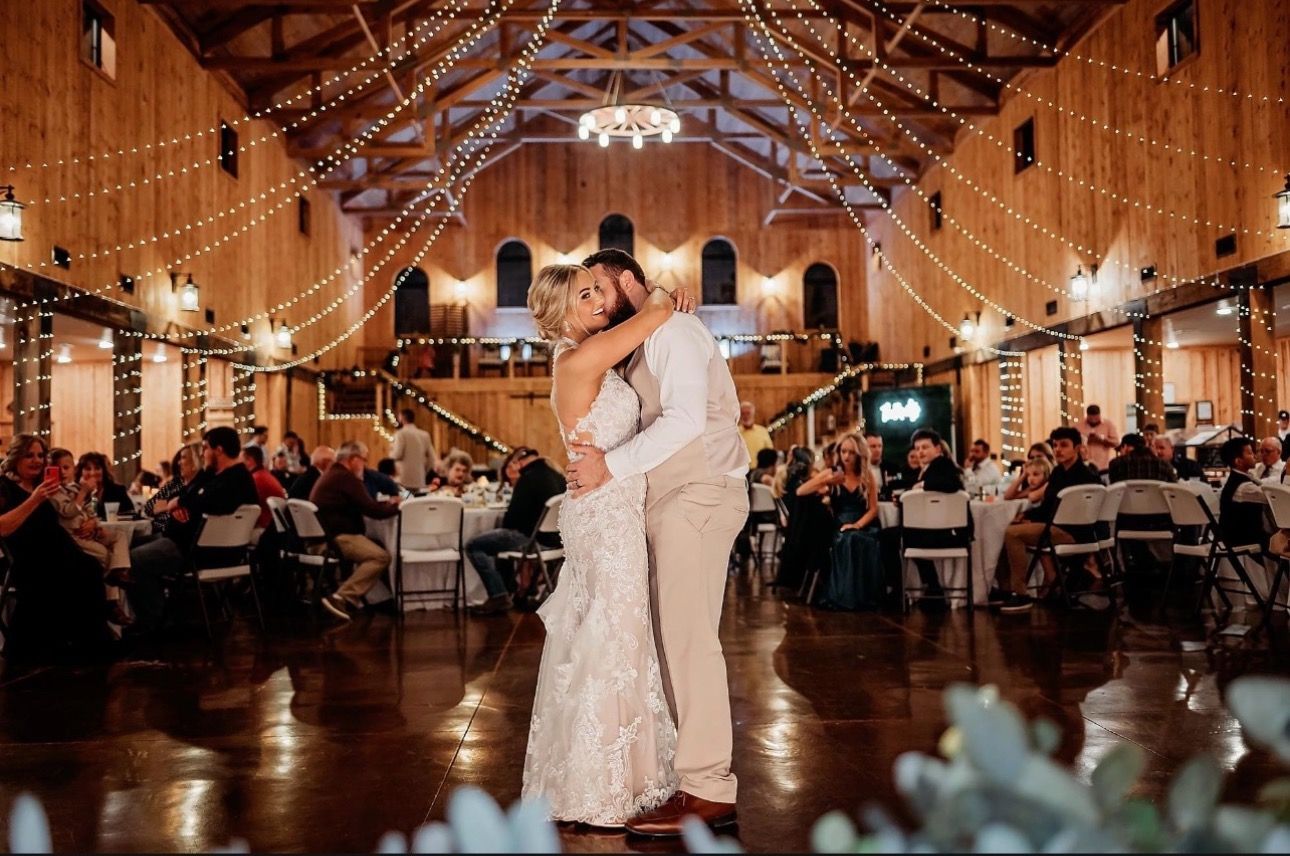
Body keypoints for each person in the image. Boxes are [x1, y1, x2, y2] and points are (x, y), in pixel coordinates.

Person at [567, 248, 743, 836]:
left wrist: (610, 467)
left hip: (699, 491)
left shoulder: (675, 333)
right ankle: (692, 777)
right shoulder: (646, 336)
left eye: (597, 288)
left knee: (691, 642)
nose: (592, 301)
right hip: (670, 500)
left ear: (625, 281)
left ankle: (709, 789)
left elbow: (688, 419)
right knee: (674, 641)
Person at [519, 257, 692, 828]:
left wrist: (665, 294)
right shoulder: (580, 357)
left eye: (597, 290)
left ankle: (605, 776)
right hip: (605, 518)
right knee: (614, 642)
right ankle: (602, 789)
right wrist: (668, 291)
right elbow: (656, 312)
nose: (597, 301)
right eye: (583, 296)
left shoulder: (585, 356)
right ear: (557, 312)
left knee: (613, 640)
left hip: (608, 511)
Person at [128, 426, 260, 633]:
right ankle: (154, 615)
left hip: (199, 552)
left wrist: (180, 502)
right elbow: (194, 496)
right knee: (126, 547)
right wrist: (185, 501)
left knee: (133, 560)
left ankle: (156, 623)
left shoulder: (236, 479)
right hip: (190, 544)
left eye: (205, 448)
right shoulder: (217, 475)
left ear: (219, 450)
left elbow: (208, 502)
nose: (202, 453)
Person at [0, 435, 112, 655]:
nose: (36, 460)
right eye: (29, 455)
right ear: (16, 457)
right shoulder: (5, 487)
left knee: (89, 569)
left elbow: (67, 514)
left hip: (59, 550)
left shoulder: (47, 484)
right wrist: (35, 499)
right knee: (73, 573)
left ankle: (85, 644)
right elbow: (3, 527)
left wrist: (90, 522)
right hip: (27, 558)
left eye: (41, 455)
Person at [998, 427, 1101, 612]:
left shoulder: (1084, 476)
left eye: (1064, 445)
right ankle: (1025, 586)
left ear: (1077, 448)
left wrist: (1029, 517)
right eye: (1055, 445)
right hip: (1063, 527)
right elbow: (1049, 507)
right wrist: (1028, 517)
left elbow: (1055, 510)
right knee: (1013, 528)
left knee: (1012, 534)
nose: (1058, 450)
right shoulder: (1059, 473)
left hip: (1073, 532)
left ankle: (1020, 593)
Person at [465, 447, 565, 615]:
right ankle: (512, 588)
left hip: (533, 541)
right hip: (556, 542)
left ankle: (499, 595)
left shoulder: (528, 478)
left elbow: (511, 520)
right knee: (498, 539)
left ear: (520, 462)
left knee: (474, 546)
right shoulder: (557, 476)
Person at [309, 441, 402, 621]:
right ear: (353, 459)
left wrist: (387, 504)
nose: (365, 465)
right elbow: (373, 511)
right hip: (335, 540)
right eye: (364, 460)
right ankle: (342, 597)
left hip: (319, 539)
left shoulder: (332, 474)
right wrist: (399, 507)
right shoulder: (346, 478)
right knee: (380, 556)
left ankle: (371, 598)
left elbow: (366, 505)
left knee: (375, 546)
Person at [795, 433, 881, 610]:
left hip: (863, 524)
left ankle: (864, 597)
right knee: (846, 539)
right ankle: (843, 596)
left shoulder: (867, 475)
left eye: (851, 452)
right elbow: (801, 491)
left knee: (859, 539)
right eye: (843, 451)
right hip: (839, 524)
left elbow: (873, 509)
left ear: (859, 454)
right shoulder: (832, 473)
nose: (846, 456)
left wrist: (857, 525)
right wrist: (827, 480)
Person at [48, 448, 117, 571]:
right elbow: (68, 511)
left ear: (73, 469)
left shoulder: (76, 488)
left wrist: (94, 523)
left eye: (66, 468)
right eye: (57, 469)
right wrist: (84, 492)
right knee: (104, 554)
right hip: (74, 535)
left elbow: (90, 509)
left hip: (89, 529)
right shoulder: (54, 492)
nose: (62, 472)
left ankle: (121, 571)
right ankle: (111, 578)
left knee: (118, 539)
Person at [1218, 436, 1267, 550]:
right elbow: (1270, 497)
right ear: (1238, 461)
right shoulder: (1242, 487)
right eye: (1250, 453)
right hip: (1242, 538)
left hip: (1246, 535)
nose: (1254, 456)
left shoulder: (1245, 478)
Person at [143, 444, 203, 533]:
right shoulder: (176, 482)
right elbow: (149, 506)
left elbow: (189, 509)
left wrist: (165, 506)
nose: (179, 463)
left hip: (176, 534)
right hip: (160, 530)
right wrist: (172, 506)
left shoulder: (199, 485)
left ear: (195, 461)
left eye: (183, 458)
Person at [74, 452, 135, 520]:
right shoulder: (74, 491)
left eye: (97, 468)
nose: (92, 473)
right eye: (87, 469)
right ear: (80, 472)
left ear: (104, 471)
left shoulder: (117, 490)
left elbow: (130, 514)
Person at [242, 444, 286, 530]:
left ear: (250, 461)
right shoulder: (263, 474)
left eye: (240, 459)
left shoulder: (256, 479)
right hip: (272, 528)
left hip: (264, 530)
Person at [391, 408, 437, 490]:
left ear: (401, 418)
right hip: (420, 478)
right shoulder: (424, 435)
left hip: (404, 478)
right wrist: (424, 471)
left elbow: (397, 454)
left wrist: (390, 452)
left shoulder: (401, 434)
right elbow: (432, 458)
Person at [1108, 433, 1177, 484]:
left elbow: (1114, 490)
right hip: (1156, 503)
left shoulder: (1115, 464)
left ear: (1125, 447)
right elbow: (1174, 490)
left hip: (1126, 503)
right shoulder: (1164, 465)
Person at [1075, 404, 1119, 472]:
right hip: (1084, 465)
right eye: (1091, 417)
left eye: (1095, 417)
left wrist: (1102, 439)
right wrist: (1085, 440)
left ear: (1099, 415)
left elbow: (1116, 443)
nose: (1093, 419)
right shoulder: (1078, 426)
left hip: (1103, 466)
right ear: (1087, 415)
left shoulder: (1108, 425)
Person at [738, 401, 773, 469]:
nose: (745, 416)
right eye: (743, 413)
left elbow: (769, 451)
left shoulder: (762, 431)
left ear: (753, 414)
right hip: (740, 472)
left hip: (759, 472)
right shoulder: (735, 432)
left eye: (748, 413)